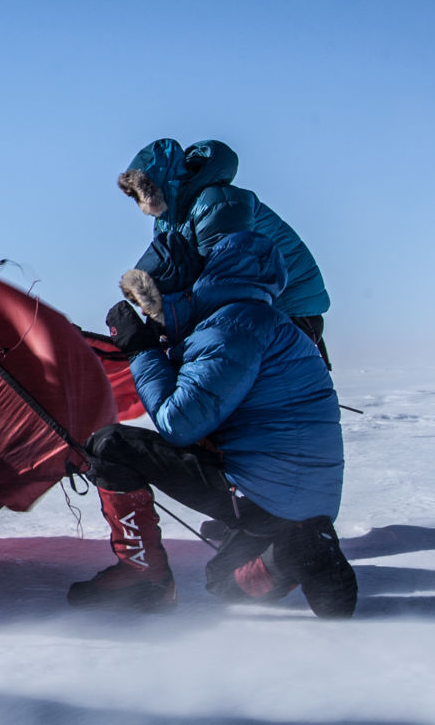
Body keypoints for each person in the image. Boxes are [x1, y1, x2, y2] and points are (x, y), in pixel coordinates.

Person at [71, 231, 356, 618]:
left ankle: (143, 575)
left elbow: (179, 423)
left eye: (150, 303)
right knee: (223, 581)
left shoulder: (231, 328)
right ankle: (294, 553)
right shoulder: (261, 321)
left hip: (264, 492)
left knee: (110, 446)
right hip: (298, 497)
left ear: (177, 292)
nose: (150, 315)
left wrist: (141, 350)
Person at [116, 138, 333, 367]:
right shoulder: (168, 222)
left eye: (140, 193)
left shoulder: (218, 201)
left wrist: (174, 321)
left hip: (288, 310)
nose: (139, 204)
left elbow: (224, 279)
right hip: (256, 312)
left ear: (160, 183)